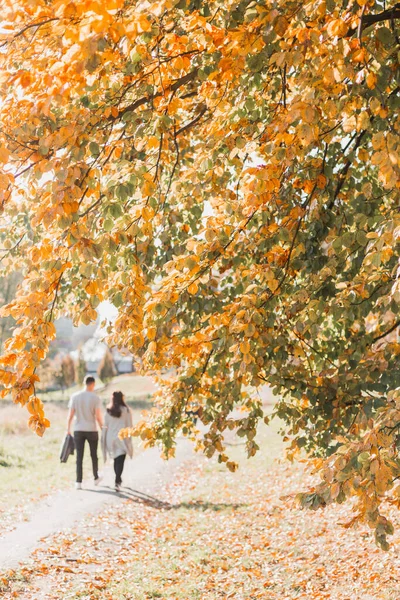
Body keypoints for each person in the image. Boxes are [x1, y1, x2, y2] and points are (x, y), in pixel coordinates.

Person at [67, 376, 103, 490]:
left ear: (84, 383)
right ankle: (96, 477)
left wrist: (68, 429)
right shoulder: (95, 398)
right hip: (91, 429)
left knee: (79, 456)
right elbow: (98, 417)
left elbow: (71, 415)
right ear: (92, 384)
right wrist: (103, 429)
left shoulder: (75, 396)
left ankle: (78, 482)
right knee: (94, 455)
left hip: (78, 429)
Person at [102, 391, 133, 492]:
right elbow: (129, 425)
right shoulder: (126, 410)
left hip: (110, 438)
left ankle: (117, 479)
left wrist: (103, 438)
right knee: (120, 459)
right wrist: (129, 438)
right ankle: (117, 480)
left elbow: (105, 426)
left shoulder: (108, 411)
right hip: (122, 437)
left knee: (116, 459)